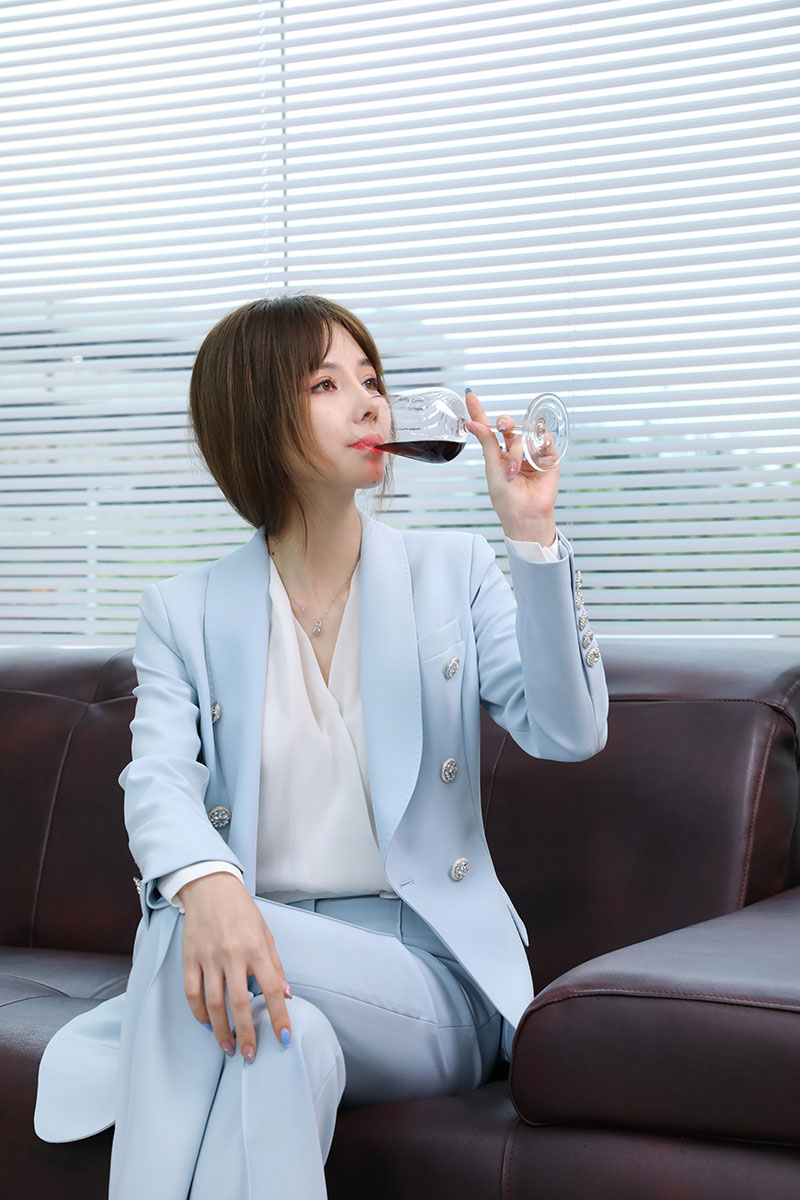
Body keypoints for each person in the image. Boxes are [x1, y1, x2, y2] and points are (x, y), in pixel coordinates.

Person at [33, 293, 608, 1199]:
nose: (370, 401)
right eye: (327, 384)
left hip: (427, 977)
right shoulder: (182, 612)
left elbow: (570, 732)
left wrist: (531, 536)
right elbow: (157, 780)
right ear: (257, 416)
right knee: (277, 1049)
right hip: (257, 963)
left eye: (371, 379)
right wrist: (214, 886)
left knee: (185, 931)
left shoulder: (453, 572)